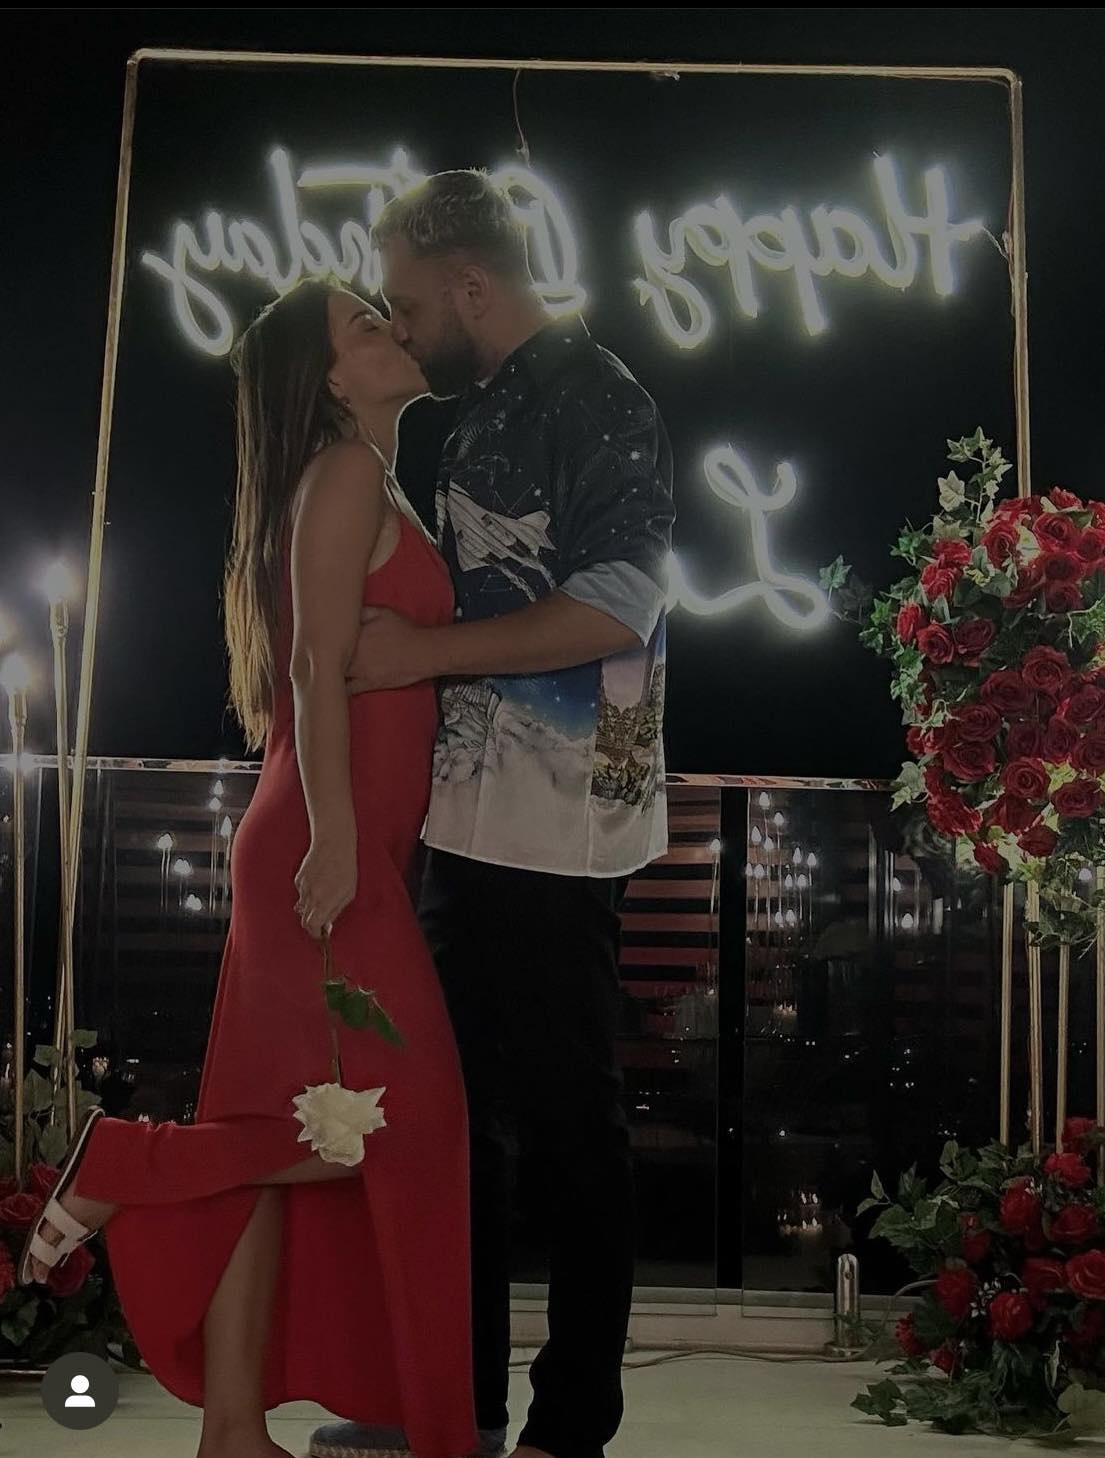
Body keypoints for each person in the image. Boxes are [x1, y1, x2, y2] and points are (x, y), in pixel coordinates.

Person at [19, 279, 480, 1458]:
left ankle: (233, 1429)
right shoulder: (344, 472)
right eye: (365, 325)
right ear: (328, 378)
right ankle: (126, 1158)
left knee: (292, 1132)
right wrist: (336, 835)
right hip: (323, 848)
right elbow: (316, 669)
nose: (393, 328)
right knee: (405, 1126)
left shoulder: (368, 480)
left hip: (337, 842)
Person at [311, 171, 674, 1458]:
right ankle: (451, 1410)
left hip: (567, 817)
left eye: (409, 303)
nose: (402, 327)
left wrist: (416, 655)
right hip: (467, 815)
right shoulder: (473, 417)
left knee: (571, 1126)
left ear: (472, 284)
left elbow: (620, 605)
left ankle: (569, 1425)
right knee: (453, 1122)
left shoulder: (600, 397)